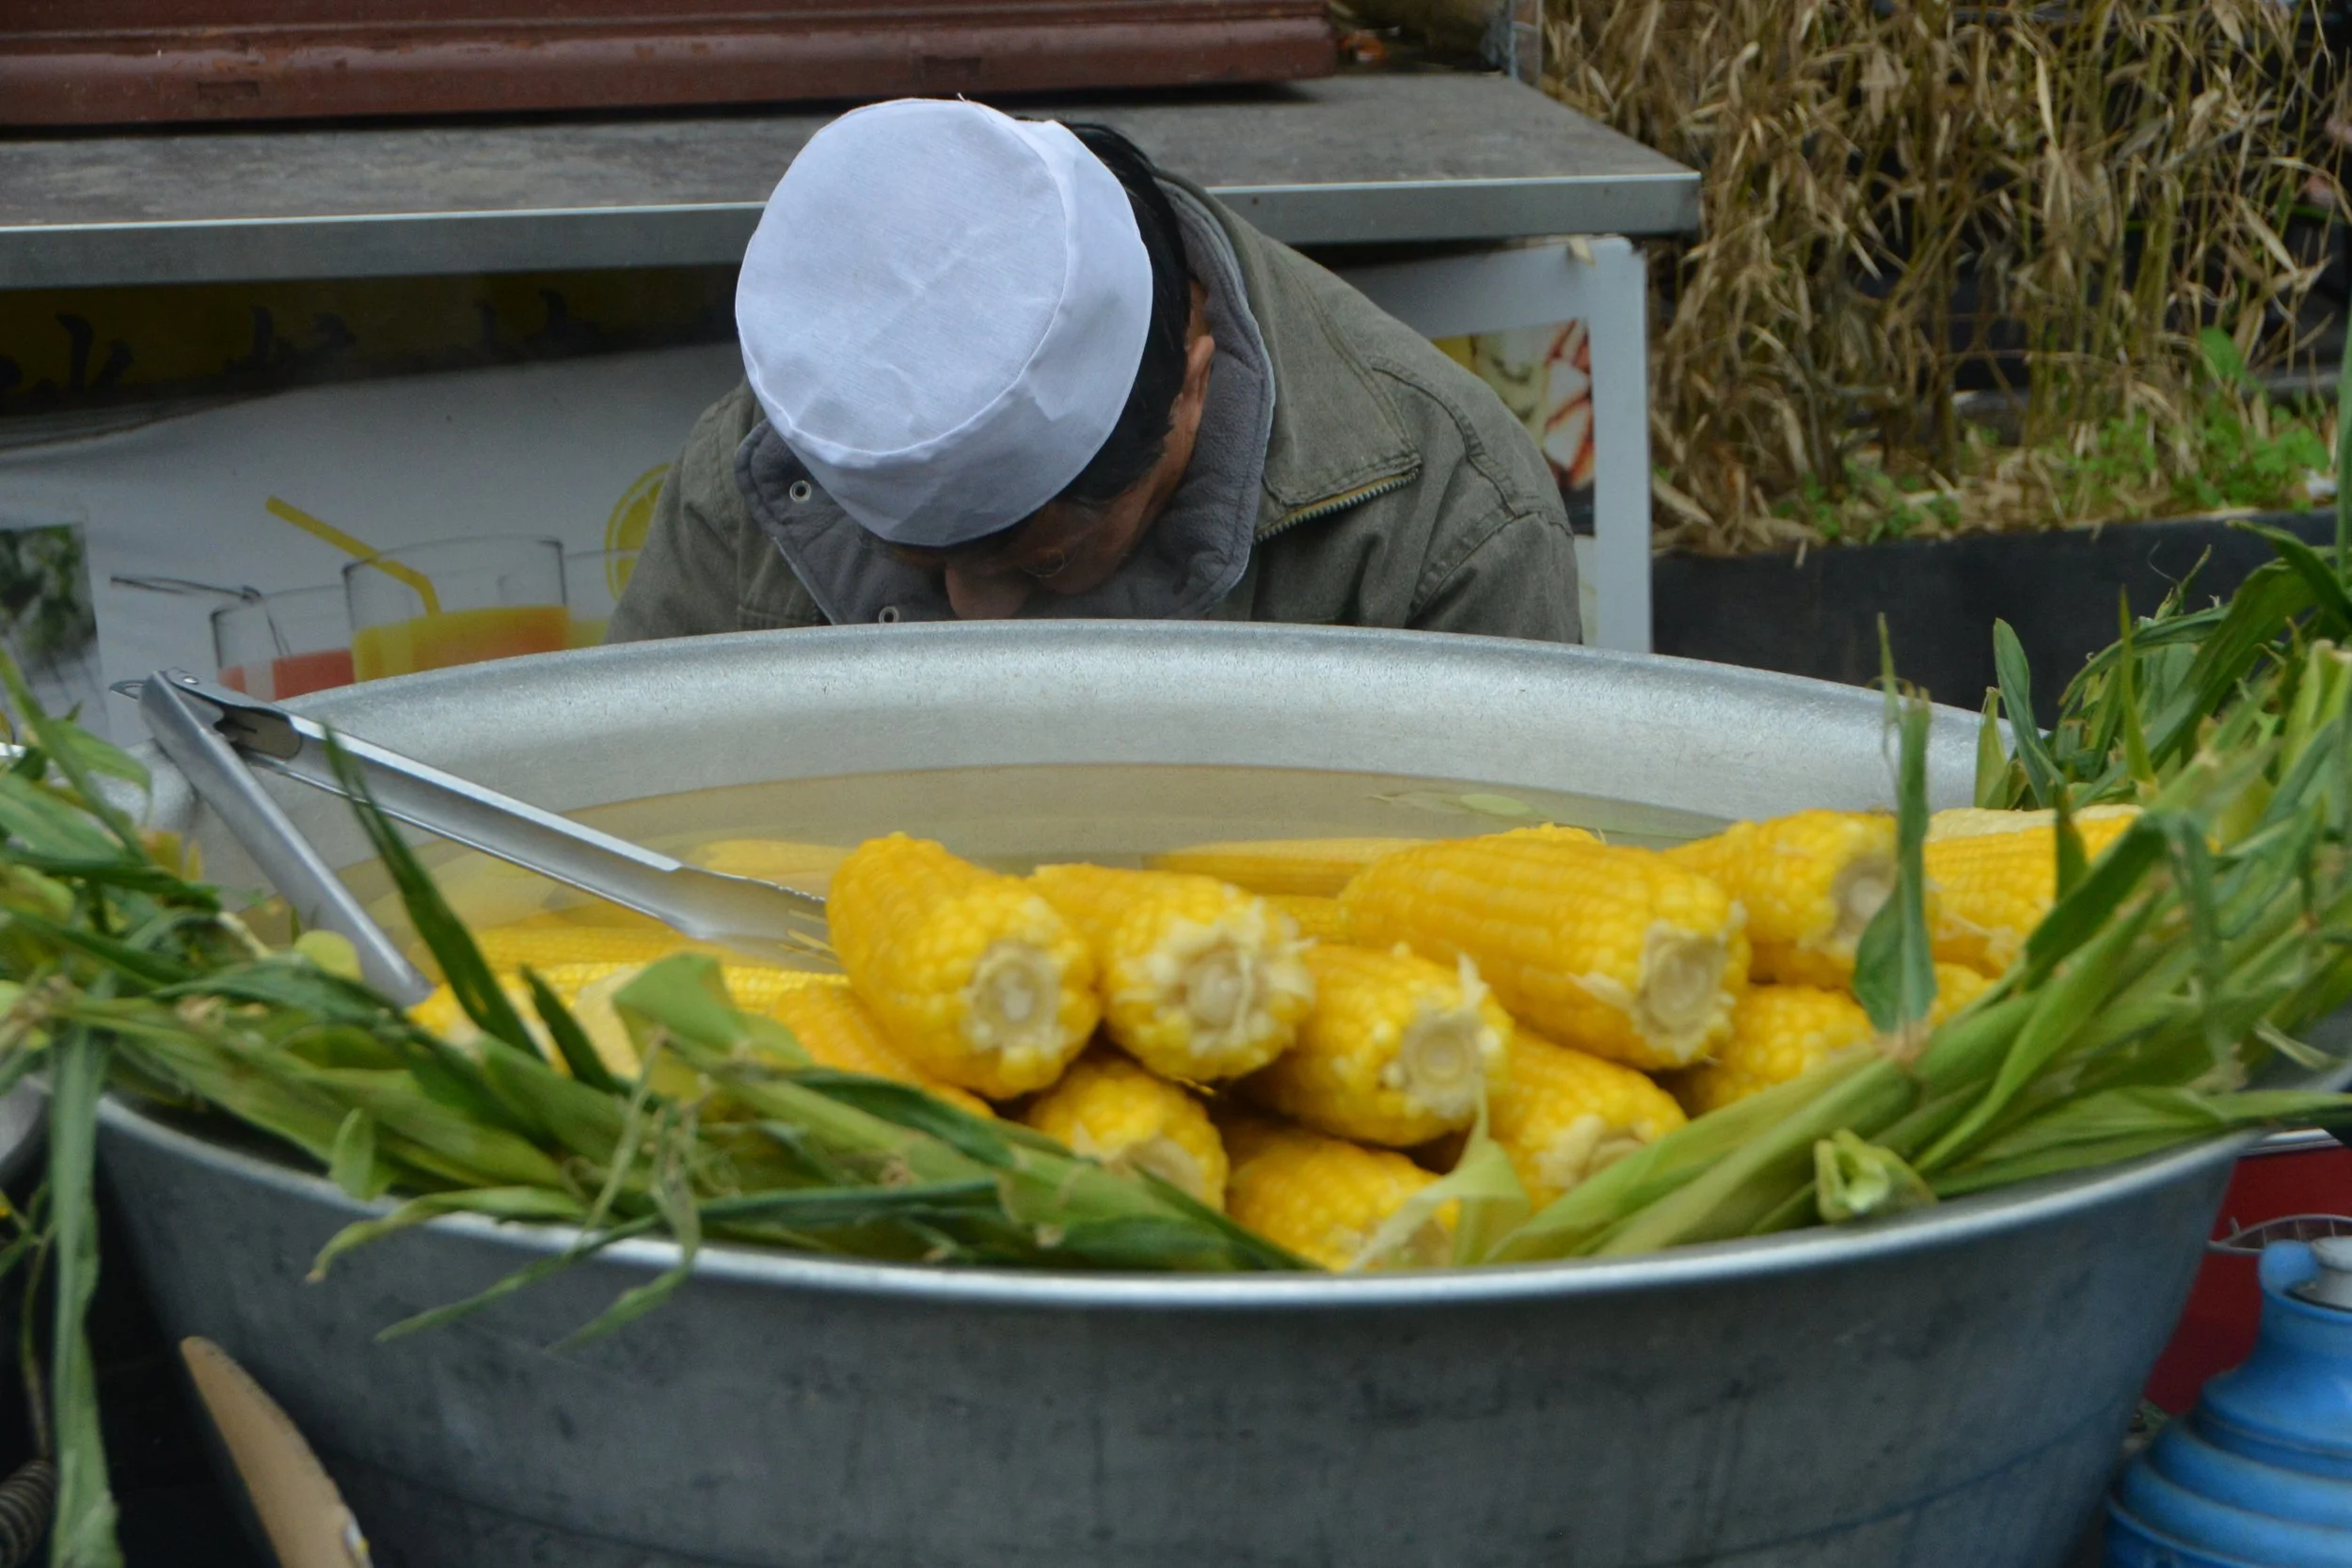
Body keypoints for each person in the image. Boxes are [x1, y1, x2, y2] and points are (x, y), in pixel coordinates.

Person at [609, 98, 1580, 642]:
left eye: (1045, 558)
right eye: (920, 563)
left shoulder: (1446, 520)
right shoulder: (761, 466)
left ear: (1192, 386)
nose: (974, 612)